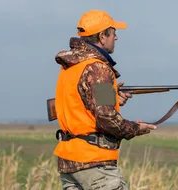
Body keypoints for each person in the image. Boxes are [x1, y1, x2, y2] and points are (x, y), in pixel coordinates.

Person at [52, 10, 157, 190]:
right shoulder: (98, 68)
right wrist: (136, 128)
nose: (116, 37)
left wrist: (113, 98)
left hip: (69, 163)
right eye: (113, 32)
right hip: (95, 164)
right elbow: (107, 117)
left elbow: (82, 102)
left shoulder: (71, 66)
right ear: (102, 36)